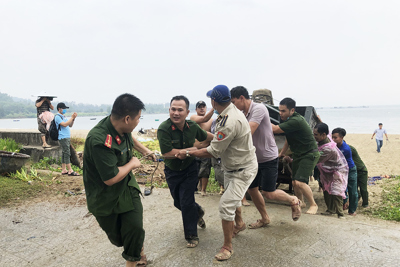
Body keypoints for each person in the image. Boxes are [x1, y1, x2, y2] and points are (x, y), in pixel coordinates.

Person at [176, 85, 258, 261]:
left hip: (242, 169)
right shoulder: (228, 113)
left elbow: (213, 151)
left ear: (213, 101)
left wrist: (188, 152)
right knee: (232, 200)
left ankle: (227, 247)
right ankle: (240, 224)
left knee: (226, 205)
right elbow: (218, 140)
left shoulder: (229, 120)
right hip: (232, 166)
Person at [83, 93, 148, 267]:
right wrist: (133, 164)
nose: (138, 122)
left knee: (134, 227)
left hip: (127, 186)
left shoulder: (121, 126)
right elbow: (110, 178)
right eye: (138, 119)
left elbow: (130, 138)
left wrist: (145, 151)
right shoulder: (99, 140)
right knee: (119, 237)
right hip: (105, 196)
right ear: (127, 118)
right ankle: (135, 247)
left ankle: (134, 259)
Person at [230, 86, 301, 227]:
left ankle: (293, 199)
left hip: (268, 157)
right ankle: (265, 218)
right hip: (252, 158)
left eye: (234, 102)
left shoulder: (259, 108)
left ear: (242, 98)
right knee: (252, 189)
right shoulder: (242, 113)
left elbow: (248, 131)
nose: (233, 105)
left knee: (269, 193)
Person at [157, 95, 213, 249]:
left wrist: (224, 138)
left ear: (187, 112)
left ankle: (191, 235)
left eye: (180, 110)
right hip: (172, 171)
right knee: (178, 202)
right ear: (169, 110)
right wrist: (193, 149)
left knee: (186, 201)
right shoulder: (164, 129)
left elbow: (206, 136)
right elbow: (168, 152)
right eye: (173, 109)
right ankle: (198, 212)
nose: (176, 113)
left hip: (190, 169)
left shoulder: (192, 126)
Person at [271, 97, 320, 214]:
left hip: (309, 154)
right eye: (280, 110)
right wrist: (281, 154)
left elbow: (276, 129)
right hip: (298, 154)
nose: (280, 113)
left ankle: (313, 204)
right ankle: (301, 202)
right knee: (294, 182)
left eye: (283, 111)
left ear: (292, 110)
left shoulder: (296, 120)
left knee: (300, 182)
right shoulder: (288, 120)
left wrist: (261, 119)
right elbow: (288, 138)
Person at [313, 123, 348, 218]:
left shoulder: (328, 149)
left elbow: (316, 159)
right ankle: (330, 210)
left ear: (323, 135)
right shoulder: (325, 137)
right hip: (326, 170)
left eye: (316, 134)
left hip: (337, 170)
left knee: (337, 191)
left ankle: (340, 214)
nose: (314, 136)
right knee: (326, 189)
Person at [332, 127, 358, 216]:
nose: (333, 139)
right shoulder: (334, 146)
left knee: (353, 191)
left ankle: (352, 210)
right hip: (341, 170)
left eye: (335, 137)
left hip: (350, 170)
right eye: (333, 137)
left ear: (342, 137)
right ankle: (343, 203)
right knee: (341, 188)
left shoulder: (345, 149)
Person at [190, 100, 214, 196]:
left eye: (203, 106)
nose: (202, 108)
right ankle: (195, 188)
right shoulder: (193, 118)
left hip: (205, 149)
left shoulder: (212, 120)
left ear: (206, 108)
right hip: (194, 149)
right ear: (196, 109)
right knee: (194, 170)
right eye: (200, 107)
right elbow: (203, 119)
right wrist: (214, 108)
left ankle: (203, 189)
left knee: (205, 170)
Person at [55, 103, 79, 176]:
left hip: (66, 137)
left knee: (64, 153)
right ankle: (70, 170)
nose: (64, 110)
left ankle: (64, 169)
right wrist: (71, 117)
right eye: (63, 108)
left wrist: (73, 119)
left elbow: (70, 125)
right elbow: (64, 124)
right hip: (63, 137)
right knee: (67, 153)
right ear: (59, 109)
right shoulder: (57, 117)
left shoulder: (63, 116)